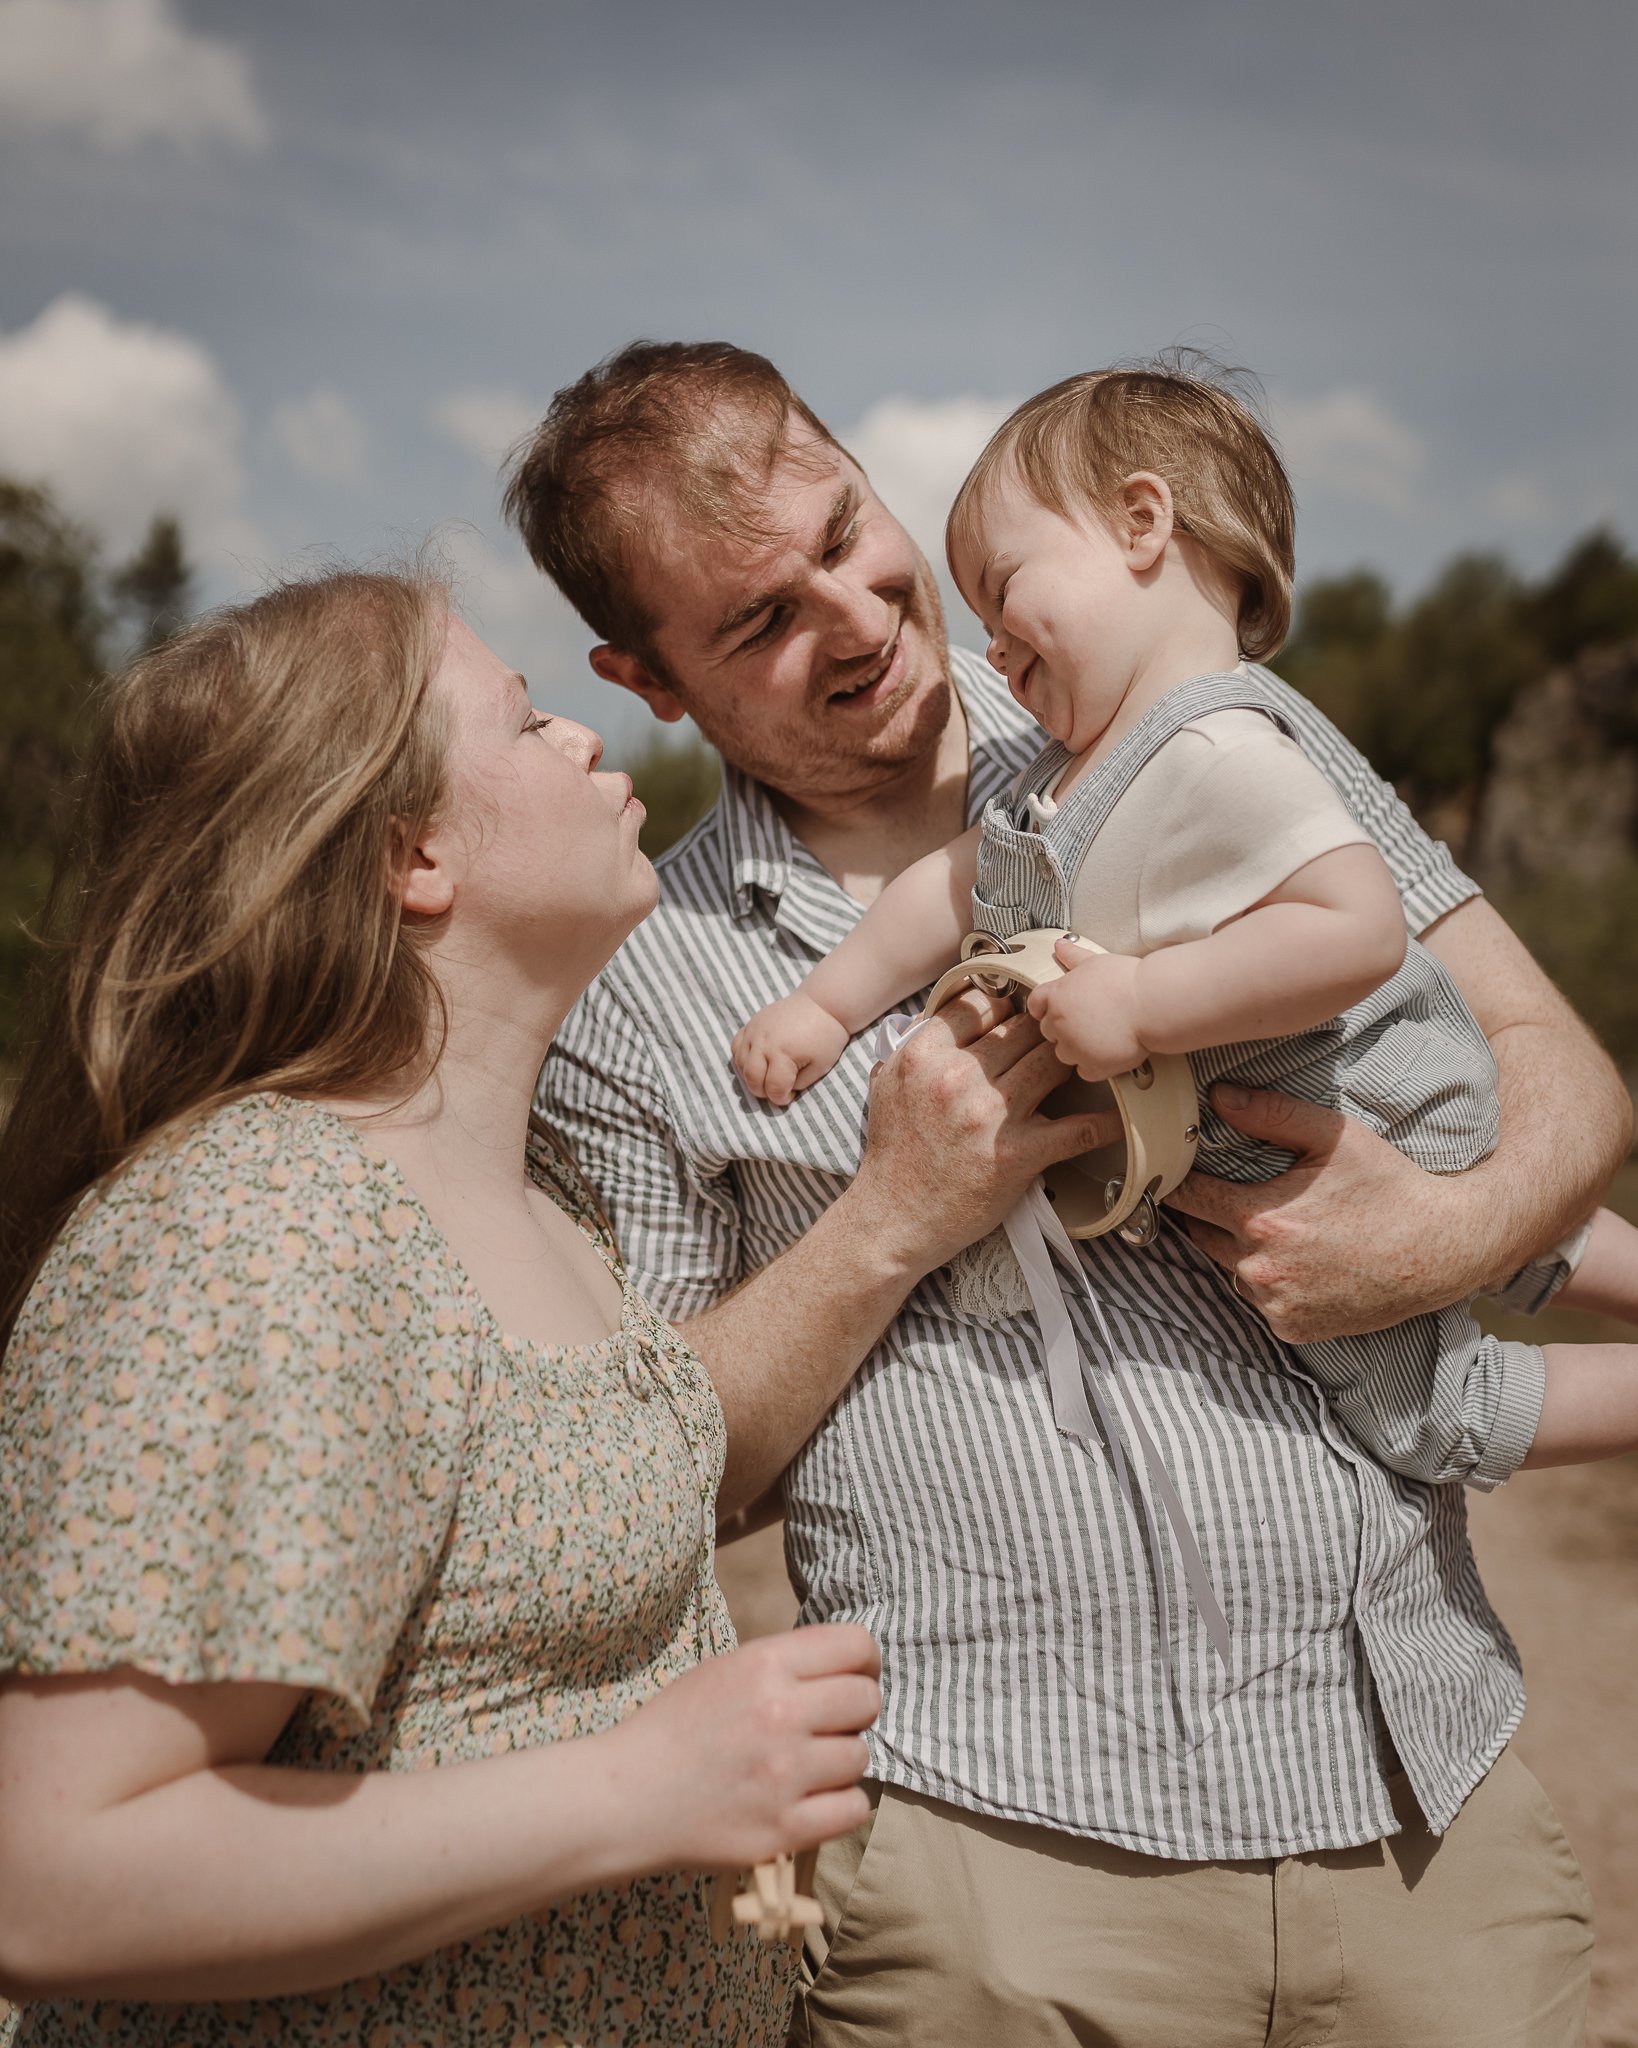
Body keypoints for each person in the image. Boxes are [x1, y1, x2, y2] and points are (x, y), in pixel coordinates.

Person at [509, 341, 1628, 2045]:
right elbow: (659, 1479)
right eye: (761, 619)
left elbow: (1556, 1070)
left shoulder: (1199, 715)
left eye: (847, 533)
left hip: (1418, 1805)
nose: (858, 616)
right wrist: (888, 1217)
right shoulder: (631, 999)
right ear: (642, 677)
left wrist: (1445, 1235)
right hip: (986, 1868)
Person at [0, 566, 883, 2047]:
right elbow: (51, 1874)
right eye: (529, 723)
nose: (586, 737)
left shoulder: (538, 1191)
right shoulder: (265, 1225)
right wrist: (641, 1786)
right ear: (411, 856)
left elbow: (618, 1477)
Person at [732, 361, 1638, 1492]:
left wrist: (1144, 1001)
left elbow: (1355, 928)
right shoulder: (1071, 778)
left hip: (1365, 1105)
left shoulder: (1223, 749)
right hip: (1366, 1116)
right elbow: (951, 888)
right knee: (1528, 1220)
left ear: (1142, 523)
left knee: (1435, 1417)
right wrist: (826, 1006)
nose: (995, 653)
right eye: (985, 629)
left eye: (1005, 595)